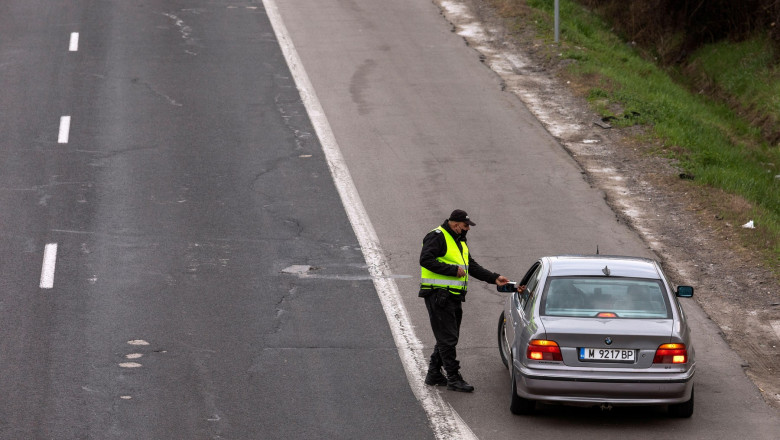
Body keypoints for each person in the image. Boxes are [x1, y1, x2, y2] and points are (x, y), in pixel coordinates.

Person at [419, 209, 510, 392]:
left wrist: (494, 278)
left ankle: (434, 373)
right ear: (455, 224)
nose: (468, 229)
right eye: (466, 225)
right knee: (448, 338)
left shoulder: (459, 240)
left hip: (453, 295)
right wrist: (451, 270)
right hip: (438, 294)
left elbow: (471, 265)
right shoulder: (438, 236)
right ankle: (453, 378)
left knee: (448, 336)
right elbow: (425, 260)